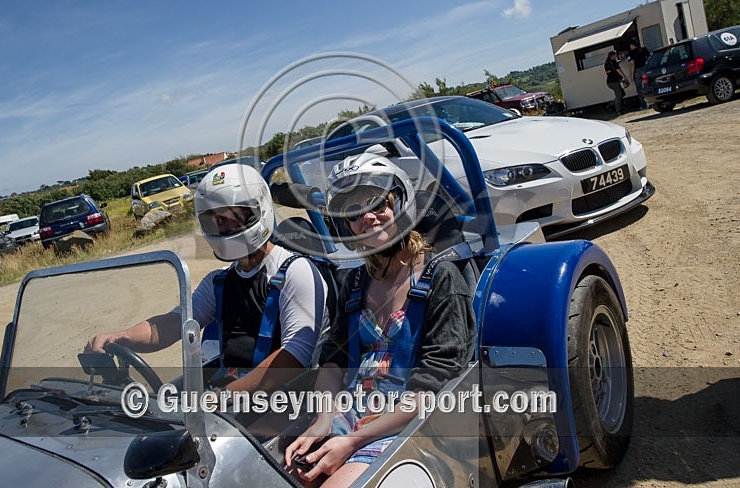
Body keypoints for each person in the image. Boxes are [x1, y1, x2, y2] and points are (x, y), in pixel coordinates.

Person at [284, 154, 476, 487]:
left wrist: (353, 442)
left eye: (377, 204)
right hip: (350, 421)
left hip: (414, 427)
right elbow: (334, 361)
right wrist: (323, 420)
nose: (368, 218)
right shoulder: (354, 282)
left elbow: (435, 386)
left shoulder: (441, 279)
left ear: (400, 203)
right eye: (354, 212)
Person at [85, 163, 328, 393]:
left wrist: (226, 395)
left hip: (282, 402)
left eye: (231, 218)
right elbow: (173, 323)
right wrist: (120, 337)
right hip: (230, 395)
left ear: (258, 211)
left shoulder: (296, 272)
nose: (222, 228)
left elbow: (295, 356)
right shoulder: (218, 283)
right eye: (214, 221)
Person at [627, 39, 651, 109]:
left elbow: (632, 64)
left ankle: (643, 104)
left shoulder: (631, 53)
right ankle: (650, 101)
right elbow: (649, 58)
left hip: (637, 71)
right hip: (645, 69)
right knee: (647, 86)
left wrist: (631, 75)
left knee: (639, 88)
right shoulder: (644, 49)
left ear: (632, 45)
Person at [604, 50, 629, 115]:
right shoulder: (614, 63)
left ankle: (611, 104)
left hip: (609, 82)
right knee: (619, 95)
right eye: (615, 55)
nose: (616, 56)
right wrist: (624, 77)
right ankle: (618, 111)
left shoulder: (607, 63)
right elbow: (619, 70)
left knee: (622, 94)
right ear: (612, 56)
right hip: (614, 82)